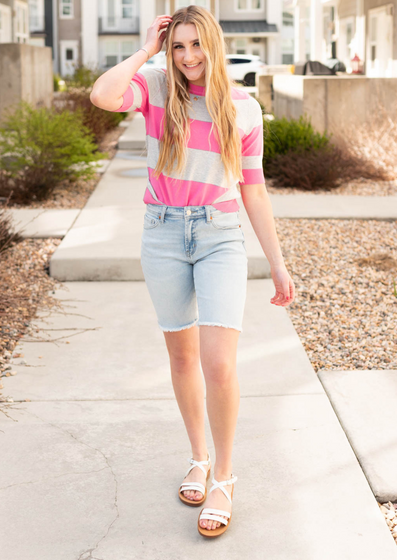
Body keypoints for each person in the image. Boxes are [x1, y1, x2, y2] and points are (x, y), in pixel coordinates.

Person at [90, 5, 295, 538]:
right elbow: (104, 96)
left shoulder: (243, 109)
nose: (187, 58)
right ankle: (198, 458)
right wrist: (145, 49)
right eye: (177, 46)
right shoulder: (157, 87)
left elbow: (254, 190)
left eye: (195, 45)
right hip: (162, 234)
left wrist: (277, 265)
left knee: (218, 364)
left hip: (219, 235)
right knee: (181, 357)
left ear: (214, 44)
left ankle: (225, 477)